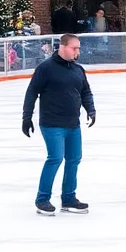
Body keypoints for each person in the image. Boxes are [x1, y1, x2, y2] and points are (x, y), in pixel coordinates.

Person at [21, 33, 96, 216]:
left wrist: (91, 110)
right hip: (52, 123)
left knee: (74, 159)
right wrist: (27, 117)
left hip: (73, 124)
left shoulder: (78, 70)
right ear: (63, 47)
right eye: (74, 48)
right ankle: (42, 199)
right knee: (55, 158)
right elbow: (32, 92)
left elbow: (86, 92)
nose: (77, 51)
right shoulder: (46, 68)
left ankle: (68, 198)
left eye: (78, 48)